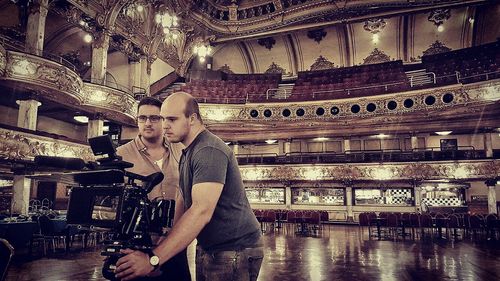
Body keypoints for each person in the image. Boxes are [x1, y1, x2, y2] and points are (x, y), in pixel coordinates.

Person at [115, 92, 264, 281]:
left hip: (234, 248)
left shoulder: (208, 150)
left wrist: (153, 259)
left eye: (172, 119)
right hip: (210, 246)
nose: (165, 125)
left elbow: (201, 211)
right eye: (163, 118)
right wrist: (161, 248)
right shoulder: (188, 151)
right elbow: (182, 199)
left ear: (192, 118)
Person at [115, 96, 191, 281]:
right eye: (142, 118)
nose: (147, 123)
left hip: (174, 241)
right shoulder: (121, 155)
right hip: (135, 244)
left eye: (154, 118)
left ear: (163, 120)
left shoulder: (181, 150)